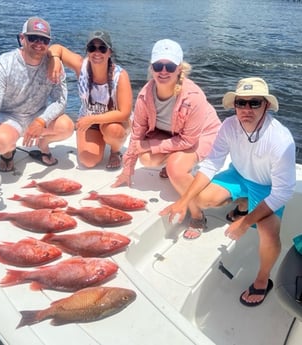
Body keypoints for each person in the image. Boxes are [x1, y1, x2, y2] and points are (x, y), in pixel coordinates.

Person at [160, 77, 296, 307]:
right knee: (202, 199)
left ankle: (263, 280)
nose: (246, 109)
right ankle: (242, 204)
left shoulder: (281, 140)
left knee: (268, 232)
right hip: (239, 174)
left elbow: (282, 192)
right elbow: (212, 163)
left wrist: (244, 224)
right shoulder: (229, 125)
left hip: (268, 187)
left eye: (255, 103)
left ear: (266, 106)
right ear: (234, 105)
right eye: (241, 103)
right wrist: (184, 201)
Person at [112, 39, 221, 234]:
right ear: (151, 68)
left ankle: (197, 215)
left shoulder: (194, 96)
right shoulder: (145, 95)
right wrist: (127, 169)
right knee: (146, 159)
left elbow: (189, 140)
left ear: (179, 68)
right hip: (172, 133)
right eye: (158, 66)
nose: (163, 71)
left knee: (175, 169)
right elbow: (137, 134)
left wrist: (151, 146)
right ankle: (175, 161)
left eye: (169, 66)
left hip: (202, 135)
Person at [0, 17, 74, 173]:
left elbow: (60, 100)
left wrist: (41, 121)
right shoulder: (2, 64)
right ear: (22, 38)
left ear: (49, 43)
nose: (39, 44)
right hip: (10, 117)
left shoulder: (54, 66)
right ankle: (8, 154)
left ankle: (43, 145)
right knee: (1, 142)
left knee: (67, 127)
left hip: (38, 114)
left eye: (44, 40)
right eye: (33, 38)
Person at [48, 30, 132, 170]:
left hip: (113, 122)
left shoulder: (120, 75)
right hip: (89, 121)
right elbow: (56, 48)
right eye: (92, 48)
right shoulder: (81, 67)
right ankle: (99, 140)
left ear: (109, 52)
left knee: (114, 131)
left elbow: (124, 113)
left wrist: (92, 119)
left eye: (102, 48)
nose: (97, 52)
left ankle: (115, 151)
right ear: (87, 51)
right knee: (88, 161)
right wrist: (55, 59)